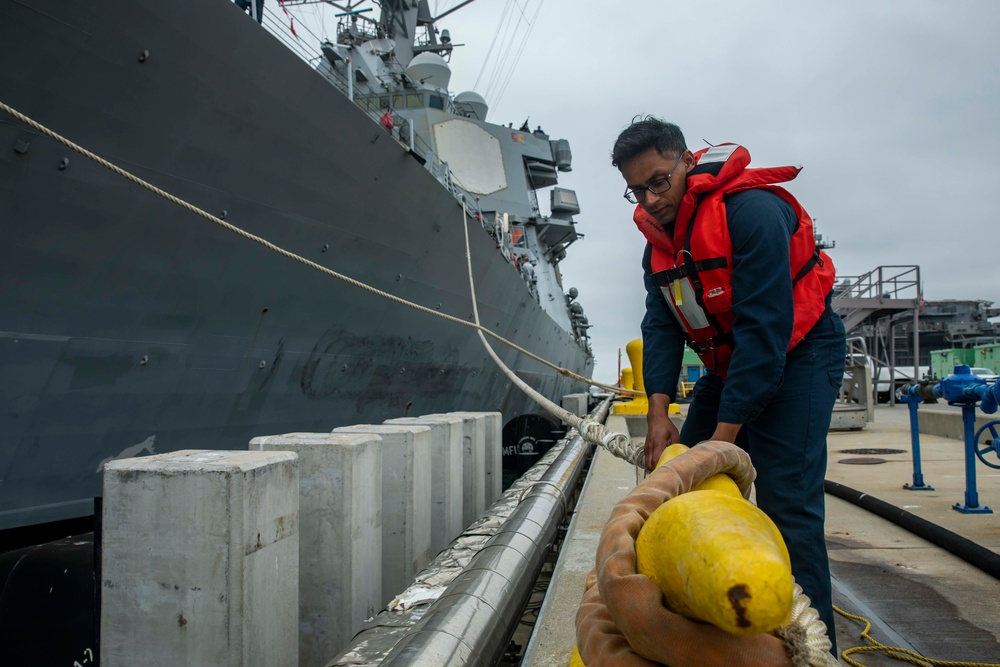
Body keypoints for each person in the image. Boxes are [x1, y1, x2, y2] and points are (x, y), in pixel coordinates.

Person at [612, 116, 846, 650]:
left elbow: (765, 336)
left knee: (788, 502)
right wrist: (657, 415)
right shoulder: (659, 246)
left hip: (801, 352)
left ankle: (812, 650)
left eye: (658, 181)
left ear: (688, 163)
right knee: (680, 483)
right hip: (728, 364)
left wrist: (723, 441)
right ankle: (712, 626)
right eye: (635, 189)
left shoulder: (752, 213)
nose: (648, 200)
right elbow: (662, 327)